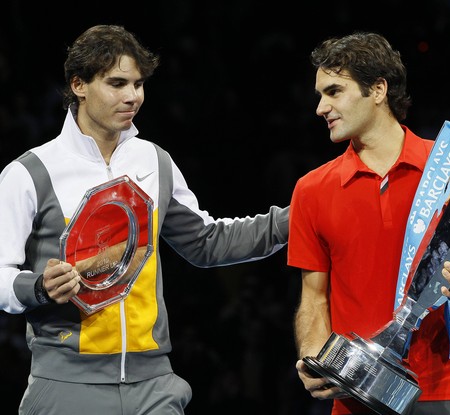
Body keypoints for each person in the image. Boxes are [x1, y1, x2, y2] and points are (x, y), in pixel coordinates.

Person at [0, 25, 288, 415]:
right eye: (117, 83)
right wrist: (37, 286)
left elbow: (207, 243)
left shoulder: (154, 161)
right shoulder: (30, 172)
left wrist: (301, 215)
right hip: (66, 384)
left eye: (138, 84)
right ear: (79, 84)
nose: (133, 96)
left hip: (155, 385)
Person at [288, 32, 450, 415]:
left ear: (377, 89)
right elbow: (314, 298)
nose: (320, 107)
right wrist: (313, 357)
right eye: (319, 95)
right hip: (358, 396)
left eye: (333, 91)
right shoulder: (311, 189)